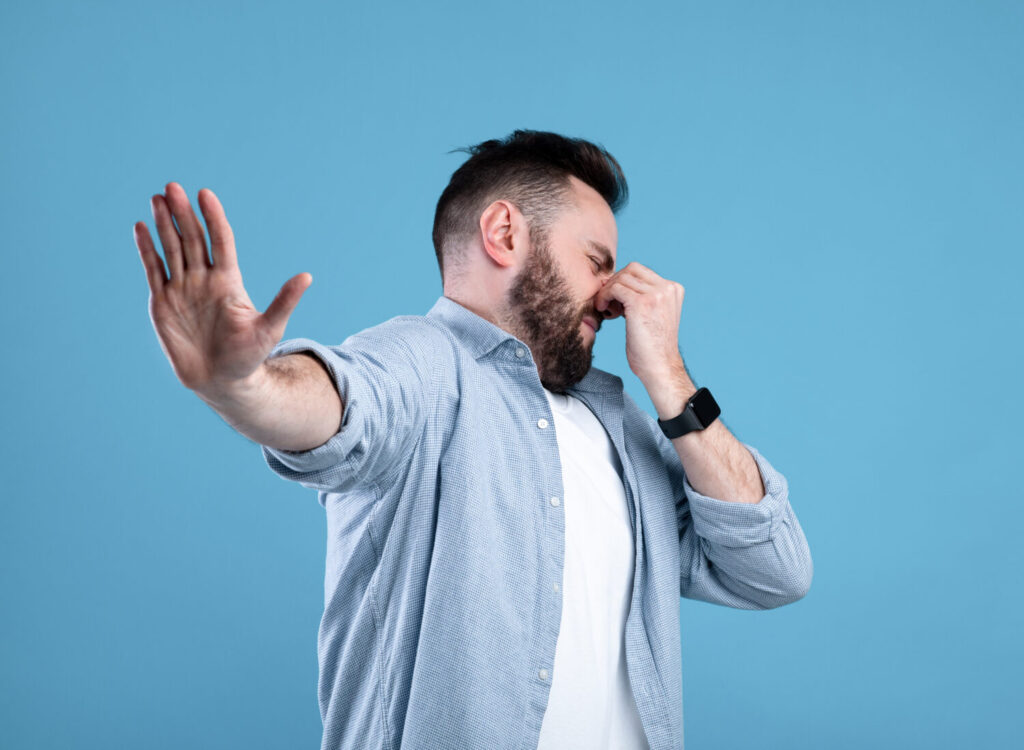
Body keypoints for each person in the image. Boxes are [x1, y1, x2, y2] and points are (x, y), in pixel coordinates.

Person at [133, 129, 813, 750]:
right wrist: (242, 386)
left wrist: (667, 377)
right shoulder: (424, 364)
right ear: (504, 233)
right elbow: (344, 404)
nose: (612, 295)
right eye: (595, 260)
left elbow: (775, 570)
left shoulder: (625, 427)